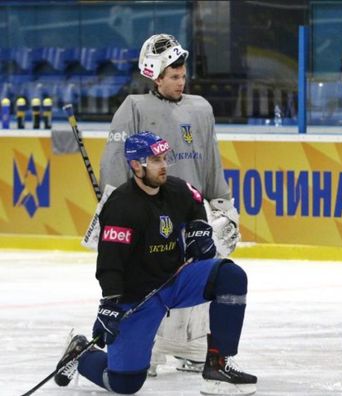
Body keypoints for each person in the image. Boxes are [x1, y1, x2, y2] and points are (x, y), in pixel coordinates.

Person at [54, 132, 256, 395]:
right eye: (155, 159)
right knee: (125, 384)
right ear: (136, 165)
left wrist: (199, 229)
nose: (164, 165)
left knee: (231, 276)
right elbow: (110, 262)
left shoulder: (176, 189)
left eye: (164, 158)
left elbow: (195, 201)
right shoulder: (121, 206)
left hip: (176, 280)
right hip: (138, 297)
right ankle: (81, 355)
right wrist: (110, 305)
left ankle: (218, 364)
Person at [99, 33, 239, 375]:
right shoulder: (134, 107)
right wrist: (113, 205)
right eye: (174, 76)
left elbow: (210, 159)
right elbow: (116, 160)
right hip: (147, 212)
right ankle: (146, 347)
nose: (181, 81)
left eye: (183, 75)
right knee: (146, 279)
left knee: (196, 274)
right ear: (155, 75)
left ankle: (192, 345)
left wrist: (221, 201)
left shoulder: (200, 107)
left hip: (188, 211)